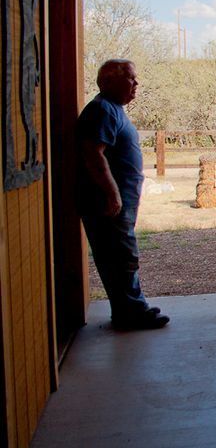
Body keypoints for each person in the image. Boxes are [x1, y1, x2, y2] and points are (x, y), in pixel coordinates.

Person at [76, 59, 169, 330]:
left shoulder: (111, 109)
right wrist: (113, 193)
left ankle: (130, 306)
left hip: (118, 200)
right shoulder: (102, 110)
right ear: (108, 82)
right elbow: (93, 153)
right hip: (108, 202)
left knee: (120, 252)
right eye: (130, 78)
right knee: (119, 253)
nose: (136, 84)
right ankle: (130, 311)